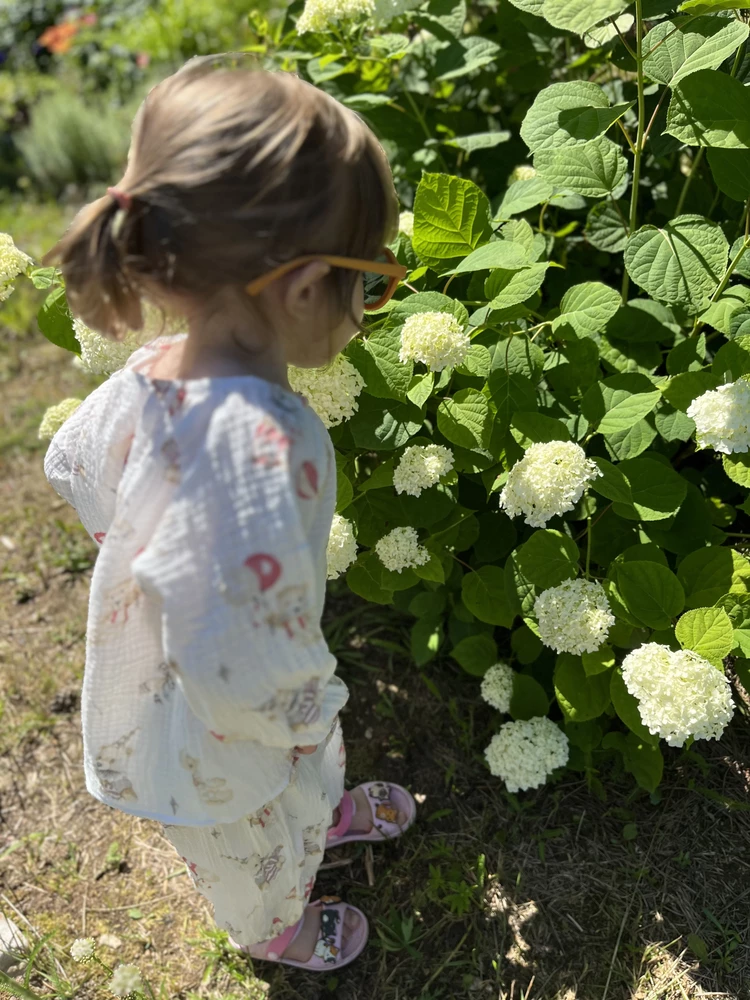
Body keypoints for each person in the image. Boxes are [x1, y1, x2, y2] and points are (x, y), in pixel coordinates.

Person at [41, 55, 417, 972]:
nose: (369, 308)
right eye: (371, 282)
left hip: (199, 683)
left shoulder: (152, 370)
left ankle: (317, 815)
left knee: (291, 771)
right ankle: (275, 927)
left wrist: (126, 548)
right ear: (302, 287)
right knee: (245, 835)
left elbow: (70, 461)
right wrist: (303, 702)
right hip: (216, 725)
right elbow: (232, 658)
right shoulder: (259, 446)